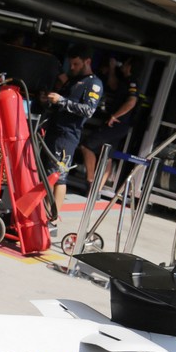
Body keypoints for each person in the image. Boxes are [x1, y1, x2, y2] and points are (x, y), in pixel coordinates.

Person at [42, 43, 102, 229]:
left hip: (67, 136)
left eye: (76, 64)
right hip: (52, 130)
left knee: (59, 176)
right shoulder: (72, 80)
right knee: (44, 173)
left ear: (87, 62)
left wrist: (61, 100)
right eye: (71, 64)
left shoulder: (93, 83)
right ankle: (41, 214)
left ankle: (53, 220)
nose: (73, 68)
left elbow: (88, 110)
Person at [78, 54, 140, 196]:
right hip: (118, 125)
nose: (122, 65)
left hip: (117, 124)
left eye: (126, 63)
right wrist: (112, 68)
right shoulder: (124, 80)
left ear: (130, 66)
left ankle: (91, 181)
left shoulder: (133, 82)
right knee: (107, 156)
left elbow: (132, 102)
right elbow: (113, 85)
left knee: (87, 145)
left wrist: (115, 115)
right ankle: (96, 191)